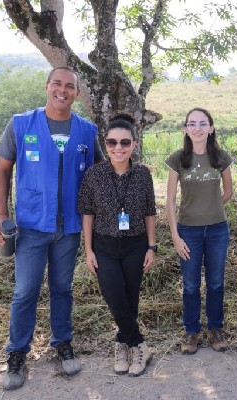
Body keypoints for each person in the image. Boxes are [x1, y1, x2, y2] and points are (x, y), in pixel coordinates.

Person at [0, 67, 103, 391]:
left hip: (69, 229)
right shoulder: (21, 124)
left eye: (70, 86)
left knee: (62, 288)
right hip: (30, 227)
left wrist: (134, 173)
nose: (63, 90)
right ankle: (17, 353)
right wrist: (2, 216)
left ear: (77, 94)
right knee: (25, 291)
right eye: (57, 83)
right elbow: (1, 170)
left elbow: (101, 172)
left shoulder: (87, 131)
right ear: (47, 86)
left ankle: (62, 343)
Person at [78, 114, 157, 376]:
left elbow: (150, 212)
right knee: (114, 297)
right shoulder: (94, 175)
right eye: (112, 142)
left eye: (125, 142)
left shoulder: (143, 175)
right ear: (106, 144)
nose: (118, 148)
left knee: (130, 301)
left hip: (136, 245)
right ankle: (140, 344)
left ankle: (124, 346)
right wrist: (88, 250)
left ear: (134, 144)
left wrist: (152, 247)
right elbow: (87, 214)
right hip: (104, 246)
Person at [165, 107, 233, 354]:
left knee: (215, 283)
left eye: (203, 123)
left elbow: (229, 191)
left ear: (211, 128)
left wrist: (211, 208)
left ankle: (215, 329)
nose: (197, 128)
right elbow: (170, 199)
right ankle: (192, 331)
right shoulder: (178, 159)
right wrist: (175, 236)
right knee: (191, 284)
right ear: (185, 129)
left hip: (217, 231)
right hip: (188, 232)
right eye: (192, 123)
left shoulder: (221, 157)